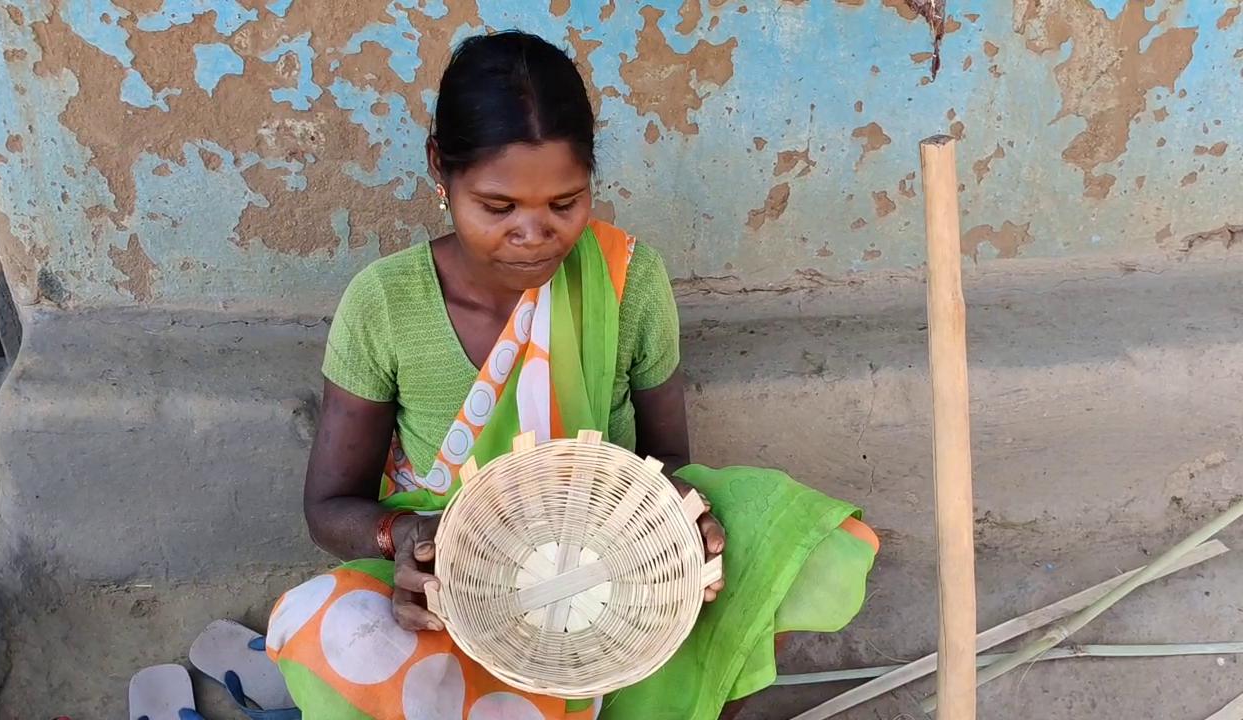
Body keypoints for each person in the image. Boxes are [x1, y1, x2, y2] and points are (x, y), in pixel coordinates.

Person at [265, 30, 878, 720]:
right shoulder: (384, 303)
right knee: (327, 624)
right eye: (498, 208)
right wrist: (406, 538)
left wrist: (676, 520)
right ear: (441, 168)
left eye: (565, 204)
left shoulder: (626, 279)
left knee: (774, 536)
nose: (535, 235)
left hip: (606, 572)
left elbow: (670, 456)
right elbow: (329, 508)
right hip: (451, 589)